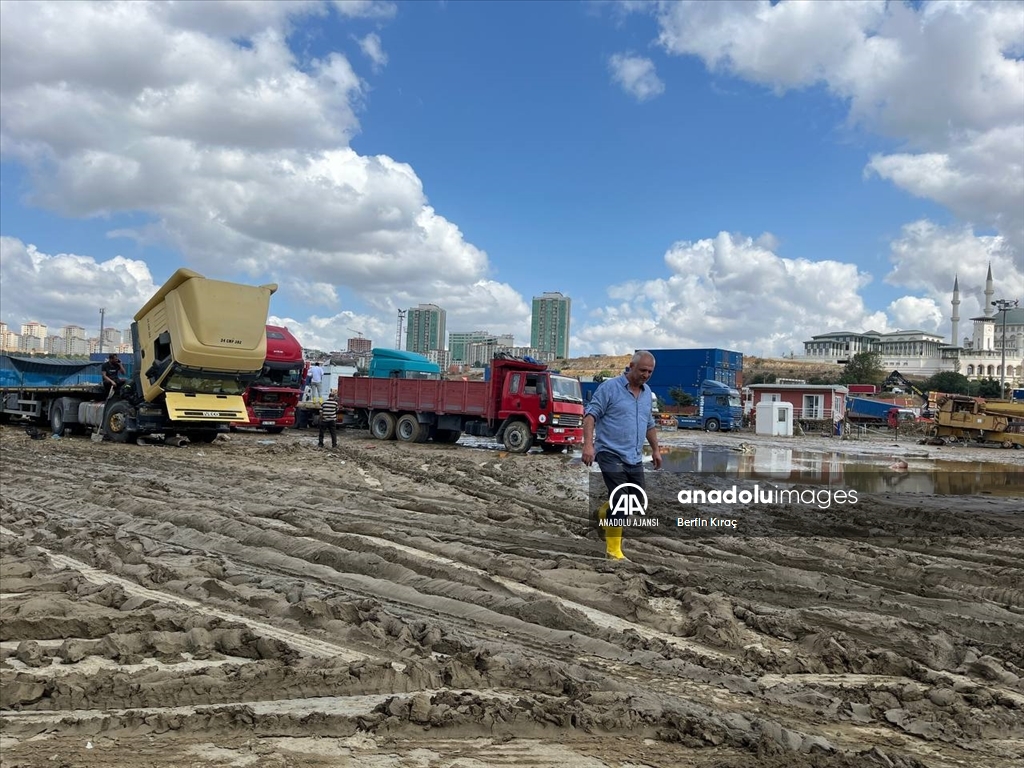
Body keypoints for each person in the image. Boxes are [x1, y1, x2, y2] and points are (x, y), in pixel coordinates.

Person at [582, 350, 662, 560]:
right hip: (609, 452)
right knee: (621, 500)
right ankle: (613, 551)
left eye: (650, 372)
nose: (646, 375)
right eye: (643, 370)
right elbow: (590, 416)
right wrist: (588, 445)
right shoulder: (610, 388)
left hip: (634, 455)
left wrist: (655, 449)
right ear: (631, 366)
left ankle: (602, 514)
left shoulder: (646, 393)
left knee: (636, 499)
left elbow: (649, 424)